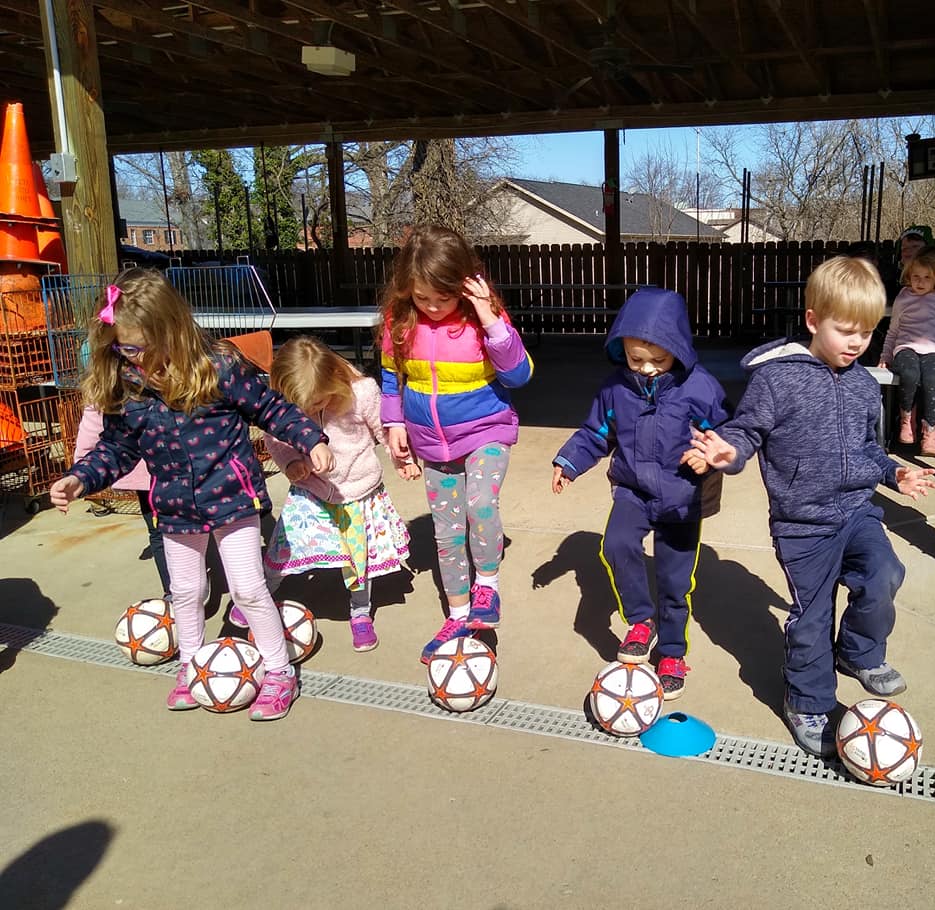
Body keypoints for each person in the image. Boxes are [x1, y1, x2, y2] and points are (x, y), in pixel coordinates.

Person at [49, 268, 334, 721]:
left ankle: (279, 671)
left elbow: (270, 407)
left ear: (171, 331)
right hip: (176, 505)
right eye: (122, 347)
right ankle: (191, 665)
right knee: (185, 590)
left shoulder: (220, 367)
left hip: (232, 498)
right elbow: (117, 447)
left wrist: (311, 439)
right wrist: (81, 478)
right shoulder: (130, 383)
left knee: (248, 589)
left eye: (138, 347)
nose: (132, 357)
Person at [685, 256, 935, 757]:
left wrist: (895, 472)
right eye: (846, 330)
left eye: (867, 331)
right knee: (813, 615)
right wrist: (727, 451)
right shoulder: (777, 381)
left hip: (857, 512)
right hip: (804, 525)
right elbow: (746, 429)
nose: (857, 342)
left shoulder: (866, 385)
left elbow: (869, 448)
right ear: (813, 320)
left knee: (885, 572)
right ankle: (809, 700)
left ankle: (860, 652)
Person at [551, 288, 732, 699]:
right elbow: (596, 432)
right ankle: (640, 620)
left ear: (679, 351)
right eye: (636, 359)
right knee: (615, 545)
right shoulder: (615, 390)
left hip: (682, 497)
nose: (647, 368)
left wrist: (712, 452)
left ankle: (672, 652)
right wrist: (568, 462)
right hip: (632, 489)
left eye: (658, 359)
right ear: (622, 350)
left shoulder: (699, 387)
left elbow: (726, 429)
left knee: (674, 581)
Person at [378, 224, 533, 664]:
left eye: (440, 299)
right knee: (446, 533)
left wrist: (488, 319)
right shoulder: (401, 321)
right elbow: (392, 378)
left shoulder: (482, 321)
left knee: (480, 504)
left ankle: (488, 586)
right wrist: (394, 424)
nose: (430, 307)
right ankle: (459, 614)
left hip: (486, 430)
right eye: (421, 298)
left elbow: (519, 376)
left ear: (463, 285)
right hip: (431, 442)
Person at [255, 337, 412, 652]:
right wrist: (291, 463)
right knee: (284, 547)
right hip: (310, 490)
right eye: (303, 407)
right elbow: (275, 439)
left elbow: (383, 430)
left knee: (358, 556)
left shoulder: (362, 392)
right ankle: (259, 596)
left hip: (357, 489)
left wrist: (402, 458)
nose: (312, 410)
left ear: (335, 382)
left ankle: (360, 610)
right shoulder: (282, 404)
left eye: (318, 402)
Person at [73, 404, 171, 599]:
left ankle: (179, 590)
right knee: (160, 531)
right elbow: (95, 419)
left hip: (173, 467)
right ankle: (174, 591)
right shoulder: (116, 383)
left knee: (165, 532)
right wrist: (82, 473)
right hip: (150, 471)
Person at [879, 245, 935, 456]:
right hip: (905, 348)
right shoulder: (904, 297)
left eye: (927, 277)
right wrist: (885, 356)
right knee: (909, 374)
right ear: (909, 275)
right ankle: (907, 420)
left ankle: (931, 432)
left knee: (933, 378)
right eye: (916, 276)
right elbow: (893, 330)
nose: (920, 282)